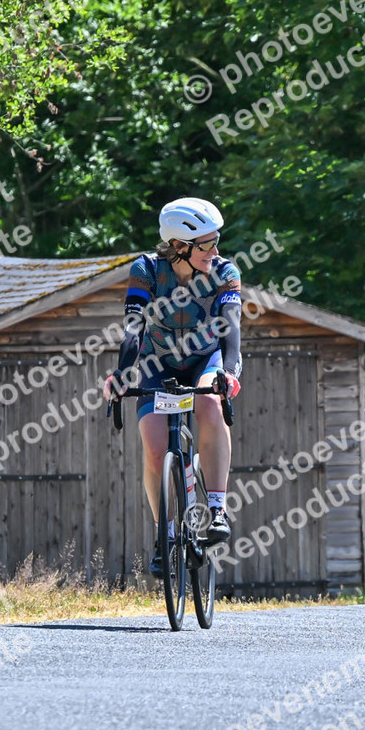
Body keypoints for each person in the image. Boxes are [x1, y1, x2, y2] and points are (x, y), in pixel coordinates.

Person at [104, 198, 242, 574]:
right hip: (158, 362)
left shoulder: (225, 271)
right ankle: (163, 536)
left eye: (216, 241)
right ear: (179, 246)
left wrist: (229, 373)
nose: (215, 250)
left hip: (207, 358)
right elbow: (133, 328)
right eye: (206, 244)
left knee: (210, 404)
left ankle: (216, 509)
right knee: (154, 448)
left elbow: (231, 327)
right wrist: (121, 373)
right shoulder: (146, 269)